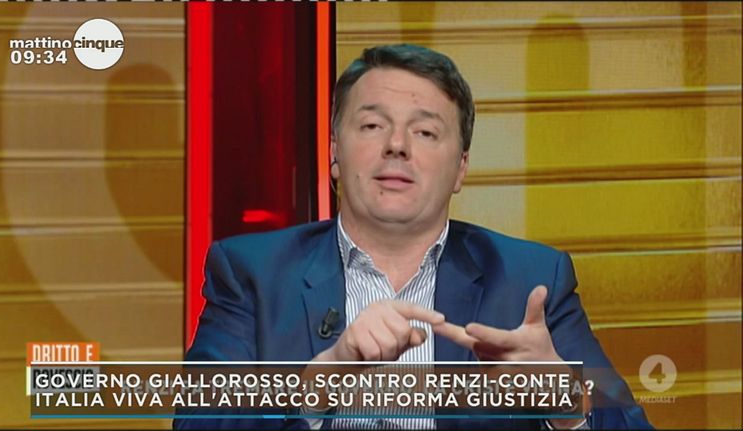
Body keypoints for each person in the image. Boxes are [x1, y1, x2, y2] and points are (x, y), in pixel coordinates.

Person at [174, 44, 652, 430]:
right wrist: (319, 382)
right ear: (335, 153)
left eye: (424, 132)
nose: (397, 145)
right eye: (372, 125)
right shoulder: (252, 274)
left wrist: (564, 401)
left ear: (461, 167)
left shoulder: (532, 280)